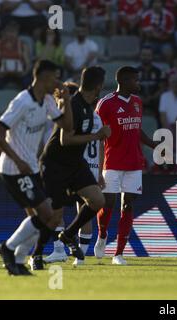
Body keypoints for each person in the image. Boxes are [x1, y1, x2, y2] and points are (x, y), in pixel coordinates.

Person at [0, 59, 72, 275]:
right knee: (45, 213)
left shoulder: (46, 100)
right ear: (44, 78)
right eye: (54, 76)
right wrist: (18, 160)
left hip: (32, 168)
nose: (57, 81)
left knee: (49, 217)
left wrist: (67, 101)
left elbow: (67, 127)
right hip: (13, 169)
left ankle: (16, 260)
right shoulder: (22, 102)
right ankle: (7, 249)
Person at [33, 66, 110, 270]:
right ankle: (37, 254)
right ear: (98, 86)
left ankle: (68, 234)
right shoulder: (74, 105)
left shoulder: (86, 106)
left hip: (75, 164)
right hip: (55, 164)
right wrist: (97, 135)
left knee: (97, 199)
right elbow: (65, 140)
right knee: (54, 215)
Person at [94, 66, 158, 265]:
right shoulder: (105, 104)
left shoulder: (138, 102)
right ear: (124, 81)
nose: (138, 84)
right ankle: (103, 234)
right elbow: (97, 134)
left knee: (128, 205)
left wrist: (154, 145)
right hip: (112, 161)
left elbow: (137, 130)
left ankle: (118, 254)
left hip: (134, 163)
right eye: (135, 80)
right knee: (108, 204)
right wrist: (97, 166)